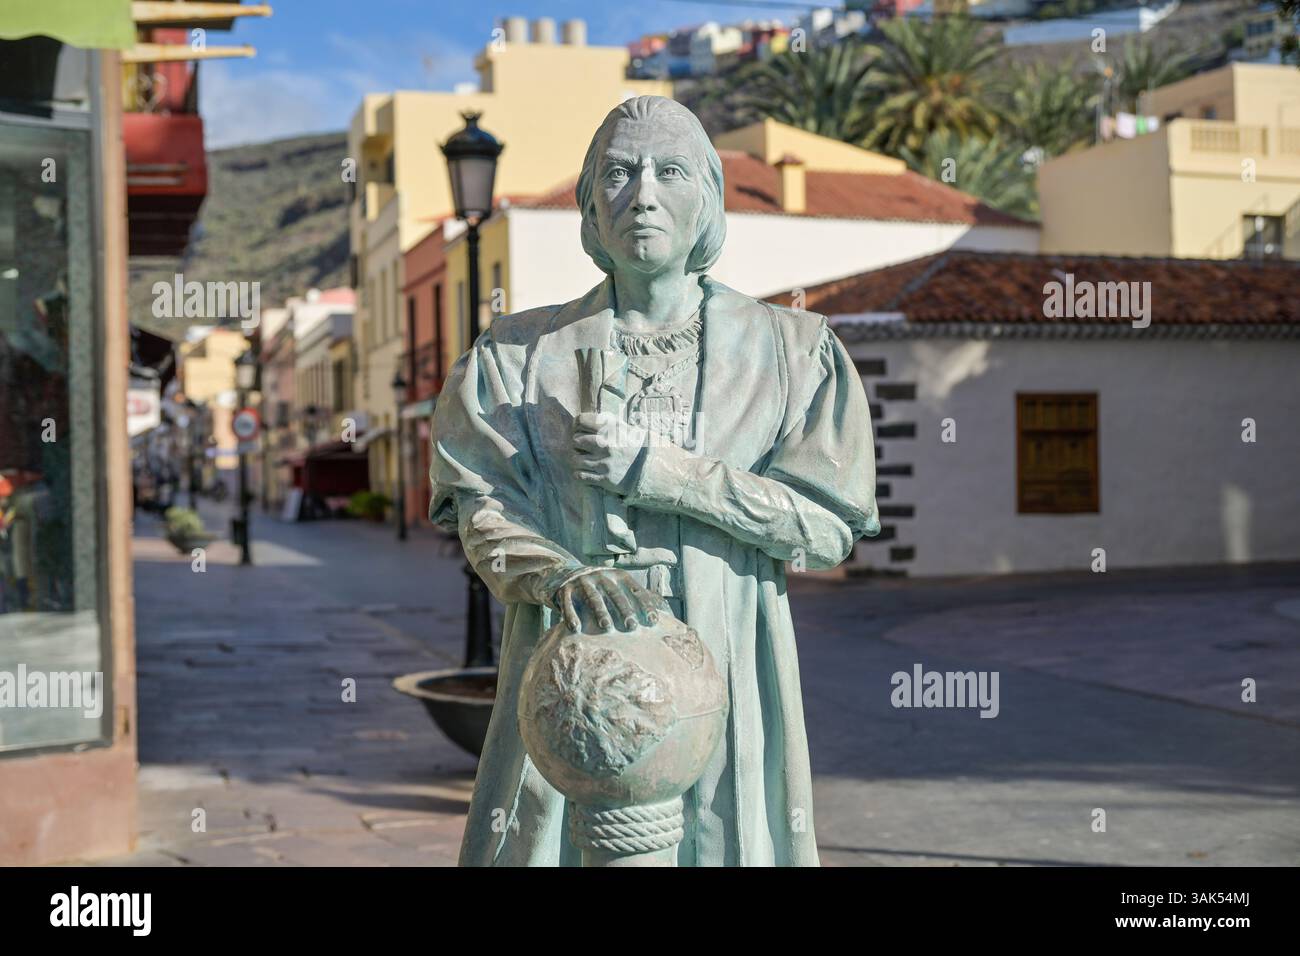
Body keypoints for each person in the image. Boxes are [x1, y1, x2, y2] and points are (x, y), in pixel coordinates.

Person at [431, 95, 879, 866]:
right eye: (617, 173)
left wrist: (664, 474)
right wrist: (558, 575)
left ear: (706, 197)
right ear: (588, 205)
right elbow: (484, 508)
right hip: (569, 671)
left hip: (728, 659)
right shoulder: (513, 357)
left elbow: (826, 526)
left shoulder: (793, 352)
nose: (642, 194)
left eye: (670, 171)